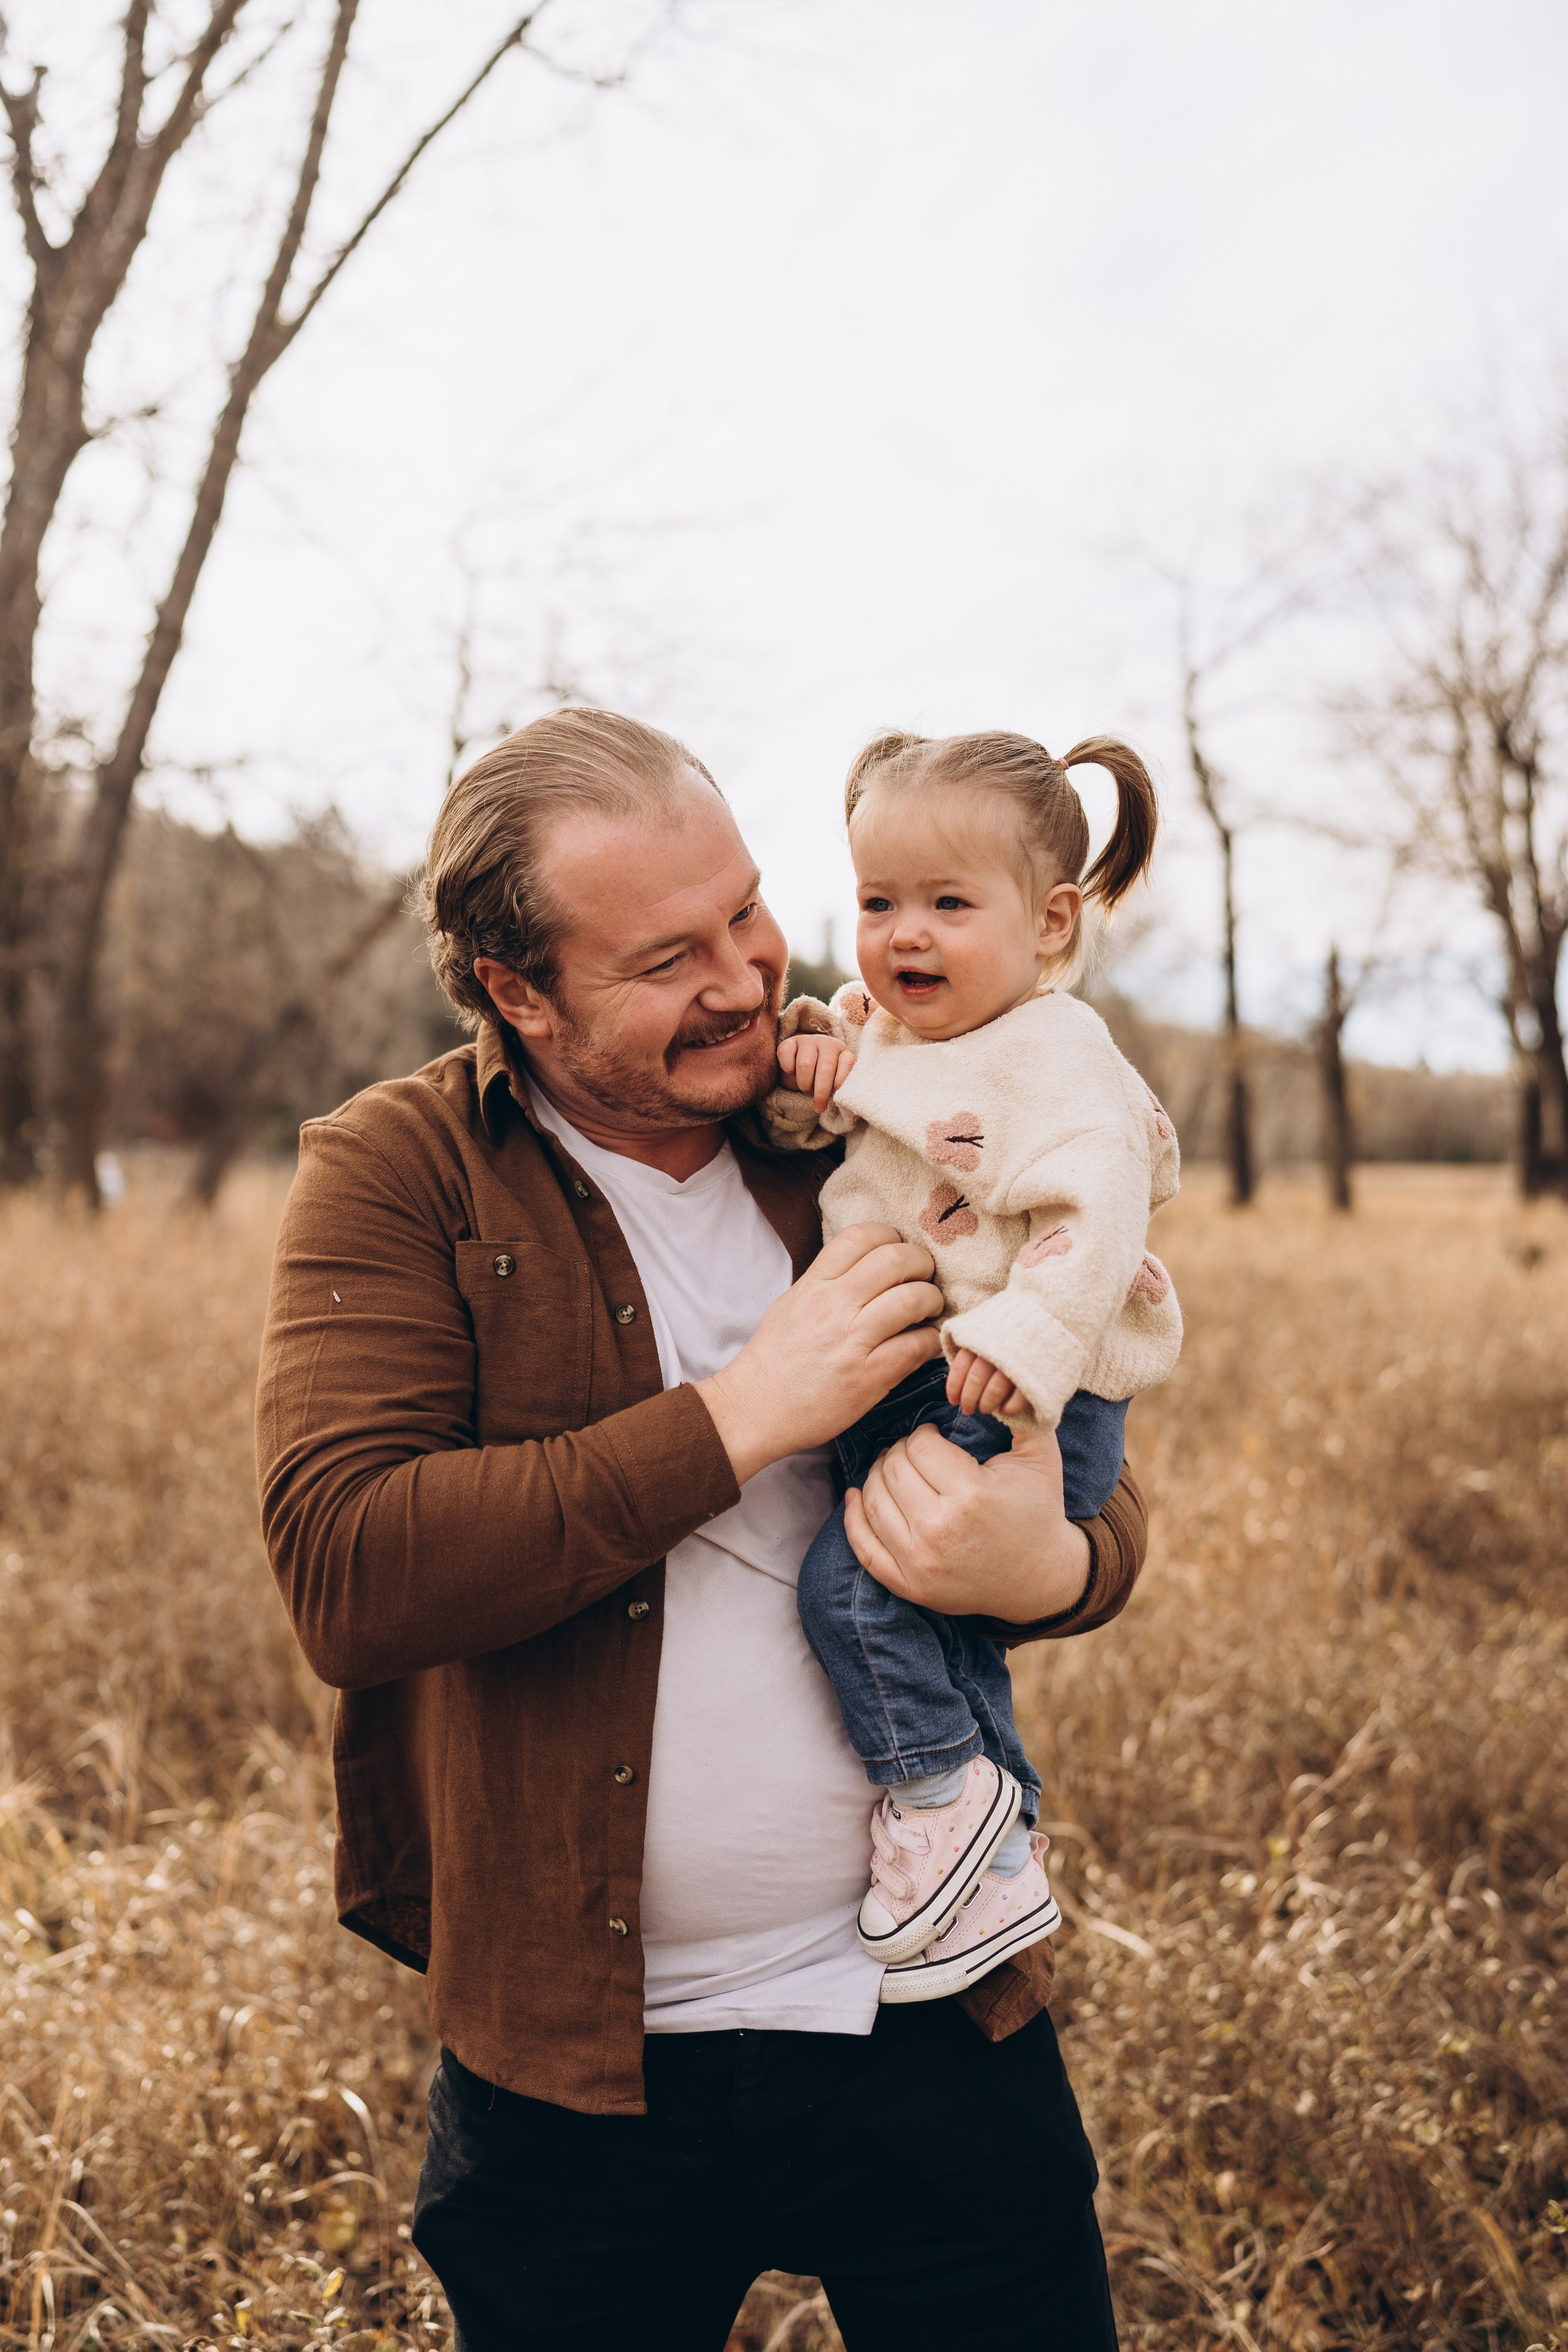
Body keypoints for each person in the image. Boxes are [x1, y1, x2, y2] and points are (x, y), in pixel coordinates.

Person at [255, 707, 1148, 2351]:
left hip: (931, 2011)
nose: (746, 975)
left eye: (746, 909)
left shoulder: (870, 1122)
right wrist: (749, 1411)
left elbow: (1090, 1475)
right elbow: (348, 1564)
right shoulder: (406, 1175)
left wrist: (1058, 1567)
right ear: (523, 991)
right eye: (669, 955)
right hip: (580, 2068)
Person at [764, 729, 1180, 2007]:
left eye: (949, 904)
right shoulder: (888, 1028)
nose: (905, 936)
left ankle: (940, 1802)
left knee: (855, 1589)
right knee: (937, 1632)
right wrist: (804, 1062)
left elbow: (1096, 1212)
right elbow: (823, 1108)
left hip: (1013, 1382)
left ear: (1047, 923)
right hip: (934, 1378)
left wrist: (1023, 1343)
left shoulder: (1055, 1056)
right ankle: (992, 1876)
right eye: (879, 901)